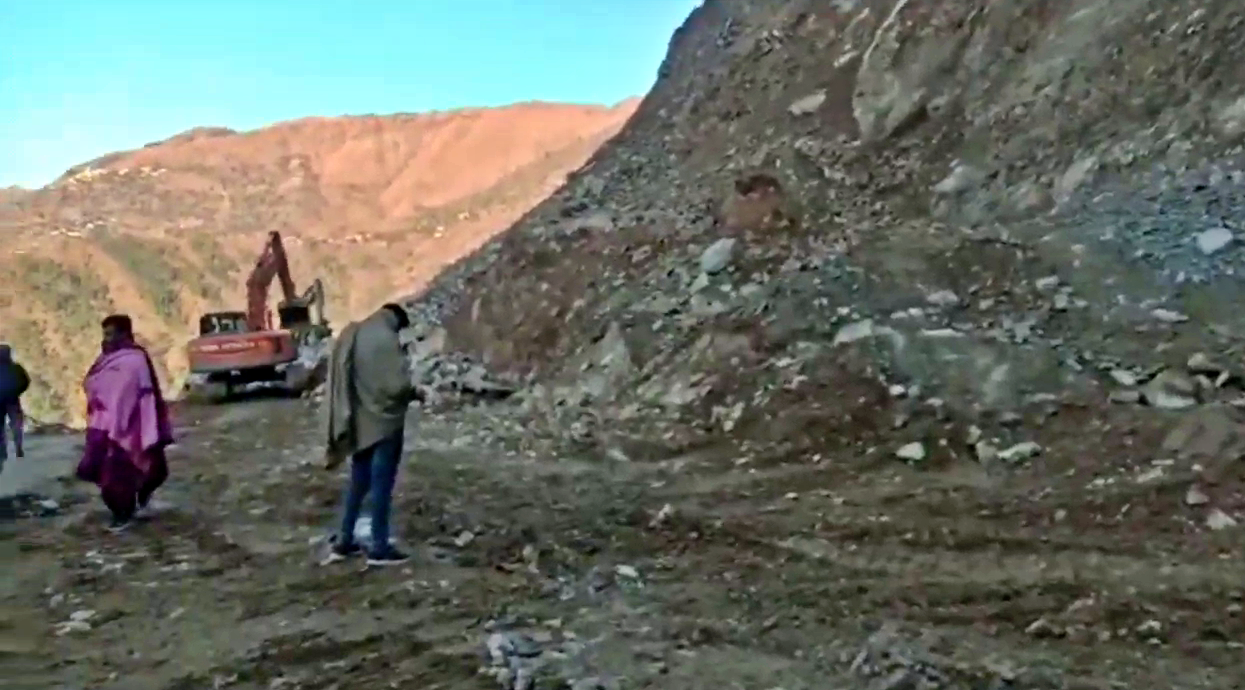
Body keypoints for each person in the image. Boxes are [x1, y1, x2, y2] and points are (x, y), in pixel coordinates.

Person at [324, 303, 422, 566]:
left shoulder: (356, 332)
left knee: (358, 483)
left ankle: (344, 541)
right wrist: (415, 392)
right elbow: (396, 386)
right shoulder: (386, 339)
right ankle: (379, 546)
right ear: (397, 321)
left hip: (359, 424)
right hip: (385, 425)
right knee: (381, 485)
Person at [76, 315, 174, 532]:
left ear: (124, 333)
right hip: (104, 426)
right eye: (104, 334)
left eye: (110, 333)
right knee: (106, 472)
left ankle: (127, 512)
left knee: (136, 469)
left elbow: (142, 394)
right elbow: (95, 384)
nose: (106, 339)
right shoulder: (104, 360)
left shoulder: (135, 359)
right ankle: (121, 513)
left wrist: (125, 417)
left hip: (133, 428)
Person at [0, 343, 30, 467]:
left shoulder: (16, 368)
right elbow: (26, 382)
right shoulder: (16, 368)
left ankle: (2, 452)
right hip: (12, 399)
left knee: (0, 428)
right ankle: (18, 447)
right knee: (16, 424)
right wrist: (17, 391)